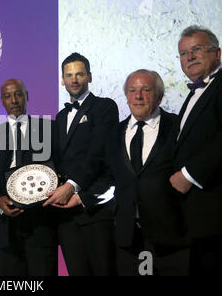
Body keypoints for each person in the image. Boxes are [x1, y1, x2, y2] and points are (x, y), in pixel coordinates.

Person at [95, 70, 188, 275]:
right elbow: (107, 176)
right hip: (128, 237)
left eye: (146, 90)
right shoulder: (113, 133)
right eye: (132, 90)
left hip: (172, 236)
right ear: (126, 96)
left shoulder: (177, 127)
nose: (138, 96)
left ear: (159, 96)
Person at [43, 53, 119, 275]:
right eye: (69, 75)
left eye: (79, 74)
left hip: (94, 209)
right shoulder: (60, 116)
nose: (74, 79)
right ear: (62, 80)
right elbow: (56, 160)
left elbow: (98, 154)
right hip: (66, 216)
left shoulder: (104, 107)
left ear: (90, 76)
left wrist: (71, 187)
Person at [0, 78, 57, 276]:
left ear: (27, 96)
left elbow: (60, 167)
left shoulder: (49, 129)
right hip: (7, 224)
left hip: (41, 220)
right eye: (7, 96)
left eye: (18, 94)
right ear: (2, 101)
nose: (14, 100)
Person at [170, 25, 222, 275]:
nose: (189, 57)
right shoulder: (195, 93)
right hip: (198, 218)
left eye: (196, 50)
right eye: (183, 53)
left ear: (218, 53)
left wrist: (189, 175)